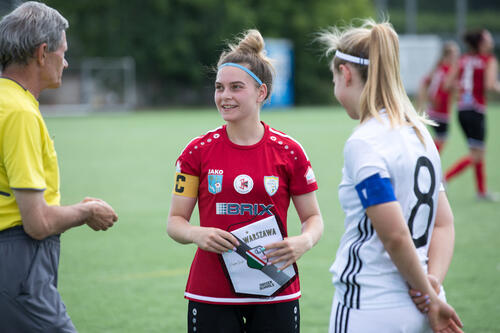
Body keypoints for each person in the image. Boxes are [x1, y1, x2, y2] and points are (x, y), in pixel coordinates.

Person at [167, 29, 324, 332]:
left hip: (275, 290)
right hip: (211, 293)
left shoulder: (289, 152)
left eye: (236, 87)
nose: (224, 96)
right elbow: (175, 222)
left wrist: (303, 242)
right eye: (219, 87)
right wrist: (197, 234)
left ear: (261, 92)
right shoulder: (196, 152)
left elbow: (313, 217)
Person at [317, 19, 463, 332]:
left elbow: (395, 236)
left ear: (345, 74)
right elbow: (443, 222)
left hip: (371, 304)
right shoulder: (420, 133)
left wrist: (427, 291)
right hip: (424, 302)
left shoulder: (365, 141)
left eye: (334, 78)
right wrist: (431, 287)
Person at [0, 2, 118, 332]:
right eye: (62, 52)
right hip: (18, 266)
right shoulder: (20, 113)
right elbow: (37, 223)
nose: (65, 62)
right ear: (41, 52)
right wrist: (87, 212)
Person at [443, 29, 500, 200]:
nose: (491, 42)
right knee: (477, 154)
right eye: (488, 39)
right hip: (476, 110)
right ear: (481, 43)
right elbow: (490, 85)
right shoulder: (488, 60)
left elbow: (447, 84)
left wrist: (462, 91)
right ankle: (444, 179)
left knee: (476, 149)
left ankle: (481, 191)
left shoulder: (462, 59)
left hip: (462, 111)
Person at [417, 41, 460, 153]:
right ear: (448, 55)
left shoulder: (439, 67)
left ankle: (427, 158)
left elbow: (424, 82)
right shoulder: (448, 70)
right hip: (440, 110)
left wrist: (422, 104)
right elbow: (448, 87)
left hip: (434, 109)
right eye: (455, 53)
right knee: (441, 139)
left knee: (439, 139)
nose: (457, 56)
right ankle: (428, 160)